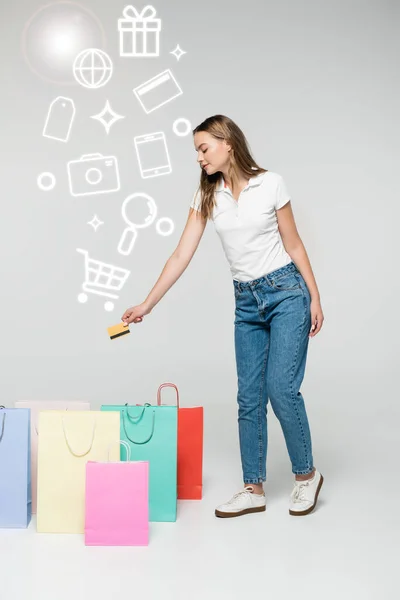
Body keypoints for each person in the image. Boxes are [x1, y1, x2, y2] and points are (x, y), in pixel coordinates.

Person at [122, 114, 324, 518]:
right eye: (196, 151)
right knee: (248, 397)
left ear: (227, 142)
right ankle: (253, 488)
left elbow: (295, 244)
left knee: (280, 389)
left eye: (203, 148)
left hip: (286, 293)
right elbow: (181, 254)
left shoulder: (271, 183)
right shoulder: (208, 195)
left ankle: (307, 476)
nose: (199, 157)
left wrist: (314, 298)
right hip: (246, 303)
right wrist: (147, 303)